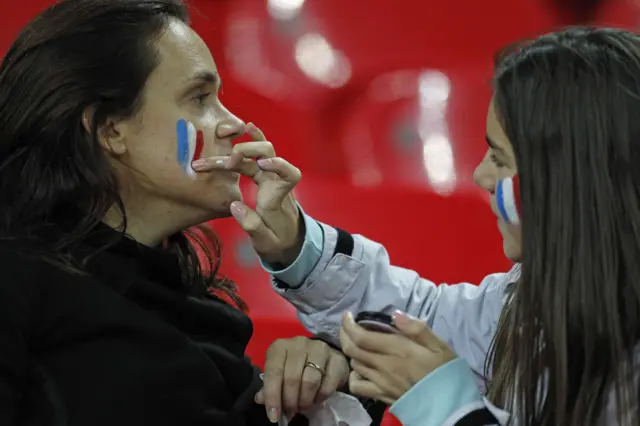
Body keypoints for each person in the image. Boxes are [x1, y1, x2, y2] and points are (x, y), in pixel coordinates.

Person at [194, 27, 640, 425]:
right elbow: (415, 316)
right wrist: (296, 244)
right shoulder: (533, 302)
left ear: (570, 182)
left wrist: (445, 406)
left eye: (500, 159)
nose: (481, 177)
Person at [0, 0, 369, 424]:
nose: (233, 125)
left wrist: (323, 380)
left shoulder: (195, 310)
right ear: (111, 130)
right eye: (199, 98)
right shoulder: (15, 281)